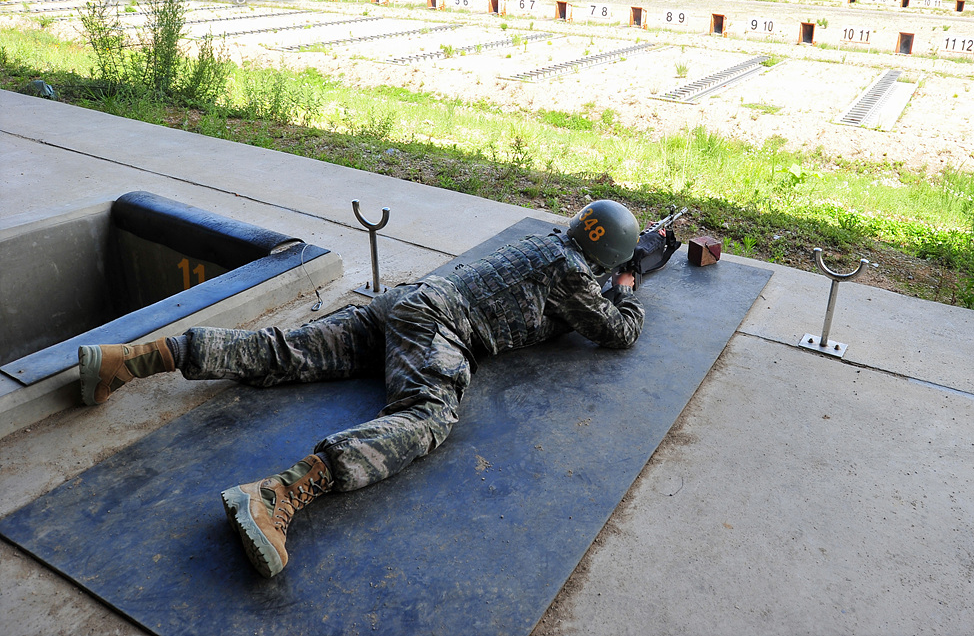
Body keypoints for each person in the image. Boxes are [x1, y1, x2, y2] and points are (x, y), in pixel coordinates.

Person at [77, 200, 644, 579]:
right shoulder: (575, 275)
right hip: (438, 327)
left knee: (288, 350)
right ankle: (277, 495)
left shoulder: (544, 244)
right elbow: (617, 334)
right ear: (610, 256)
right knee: (428, 415)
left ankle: (133, 358)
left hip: (404, 303)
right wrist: (625, 291)